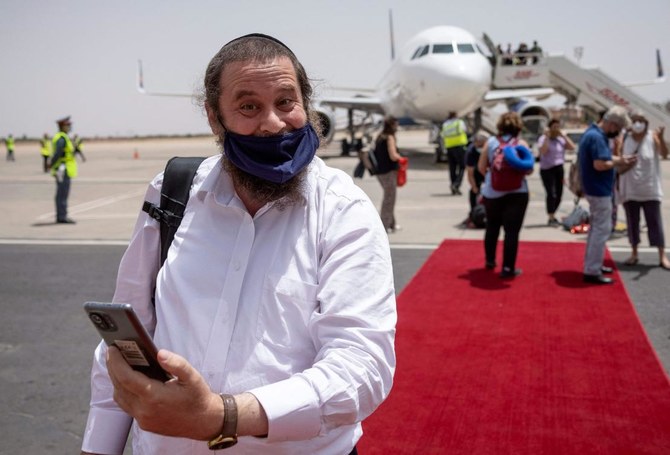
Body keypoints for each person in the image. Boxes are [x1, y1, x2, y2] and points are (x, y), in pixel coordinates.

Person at [81, 33, 397, 455]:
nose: (272, 123)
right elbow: (126, 340)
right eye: (249, 106)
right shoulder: (173, 192)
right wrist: (98, 446)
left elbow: (362, 366)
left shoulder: (343, 209)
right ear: (215, 119)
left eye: (286, 102)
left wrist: (223, 416)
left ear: (306, 104)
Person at [578, 105, 637, 284]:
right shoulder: (598, 137)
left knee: (596, 229)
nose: (618, 133)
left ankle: (593, 263)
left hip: (594, 188)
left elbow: (603, 159)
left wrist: (620, 159)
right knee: (601, 230)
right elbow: (600, 164)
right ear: (612, 124)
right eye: (618, 128)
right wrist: (619, 162)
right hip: (599, 190)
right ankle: (592, 270)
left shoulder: (592, 133)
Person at [477, 112, 532, 278]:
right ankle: (508, 268)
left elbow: (481, 167)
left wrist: (493, 176)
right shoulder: (521, 144)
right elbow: (529, 169)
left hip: (493, 193)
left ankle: (490, 260)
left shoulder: (491, 142)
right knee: (512, 232)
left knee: (492, 227)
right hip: (517, 192)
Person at [617, 112, 670, 269]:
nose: (638, 124)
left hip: (650, 189)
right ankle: (634, 253)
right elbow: (618, 159)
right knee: (633, 223)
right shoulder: (625, 138)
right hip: (630, 190)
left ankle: (662, 255)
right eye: (635, 120)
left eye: (641, 120)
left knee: (655, 223)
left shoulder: (652, 137)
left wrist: (661, 137)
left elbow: (664, 154)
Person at [537, 119, 576, 226]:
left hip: (559, 168)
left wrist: (564, 136)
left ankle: (553, 213)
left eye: (558, 127)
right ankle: (551, 216)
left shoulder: (560, 139)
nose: (556, 129)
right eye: (554, 127)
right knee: (551, 193)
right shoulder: (543, 139)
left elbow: (572, 147)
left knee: (559, 193)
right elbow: (543, 151)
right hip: (547, 169)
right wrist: (547, 137)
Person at [373, 116, 403, 233]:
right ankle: (384, 226)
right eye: (396, 124)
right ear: (392, 125)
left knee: (389, 197)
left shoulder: (380, 136)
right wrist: (401, 158)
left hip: (380, 172)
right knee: (389, 199)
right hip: (388, 172)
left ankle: (392, 223)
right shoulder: (390, 137)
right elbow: (393, 155)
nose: (397, 127)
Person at [49, 117, 77, 224]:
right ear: (62, 126)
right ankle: (62, 216)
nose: (69, 127)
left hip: (64, 169)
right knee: (62, 193)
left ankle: (61, 215)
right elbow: (58, 153)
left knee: (62, 193)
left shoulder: (64, 137)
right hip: (63, 169)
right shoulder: (61, 138)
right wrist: (51, 164)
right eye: (67, 125)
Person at [440, 111, 468, 194]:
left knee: (452, 168)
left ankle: (453, 184)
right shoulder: (459, 122)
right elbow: (464, 130)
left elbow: (442, 135)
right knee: (462, 167)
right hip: (460, 146)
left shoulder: (445, 124)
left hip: (449, 147)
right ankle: (456, 184)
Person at [464, 132, 488, 227]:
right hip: (477, 172)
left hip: (489, 171)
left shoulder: (492, 149)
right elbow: (470, 173)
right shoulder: (471, 152)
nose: (480, 148)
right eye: (478, 145)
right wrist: (474, 187)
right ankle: (474, 215)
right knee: (473, 193)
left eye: (482, 145)